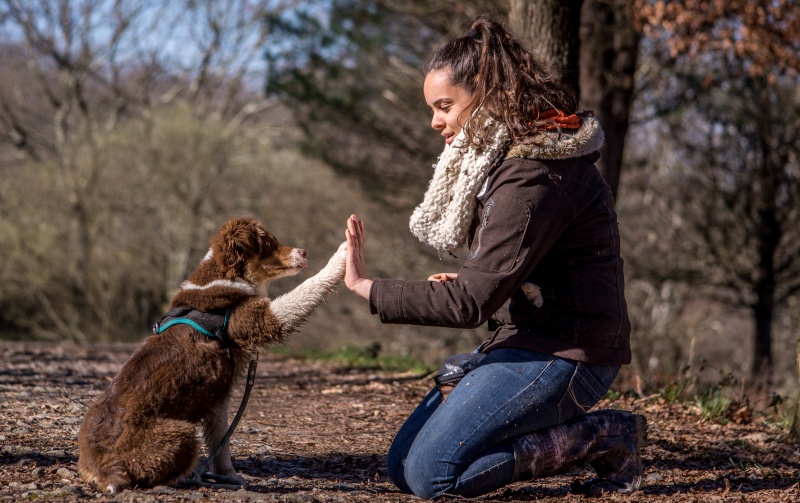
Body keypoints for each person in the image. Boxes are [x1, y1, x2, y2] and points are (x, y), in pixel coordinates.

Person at [343, 14, 645, 500]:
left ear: (486, 96)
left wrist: (367, 288)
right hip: (527, 340)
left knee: (432, 476)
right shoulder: (508, 162)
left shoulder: (532, 173)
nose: (435, 121)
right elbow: (515, 274)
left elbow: (468, 305)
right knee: (402, 467)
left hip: (567, 355)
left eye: (445, 106)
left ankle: (602, 434)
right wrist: (479, 283)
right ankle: (491, 398)